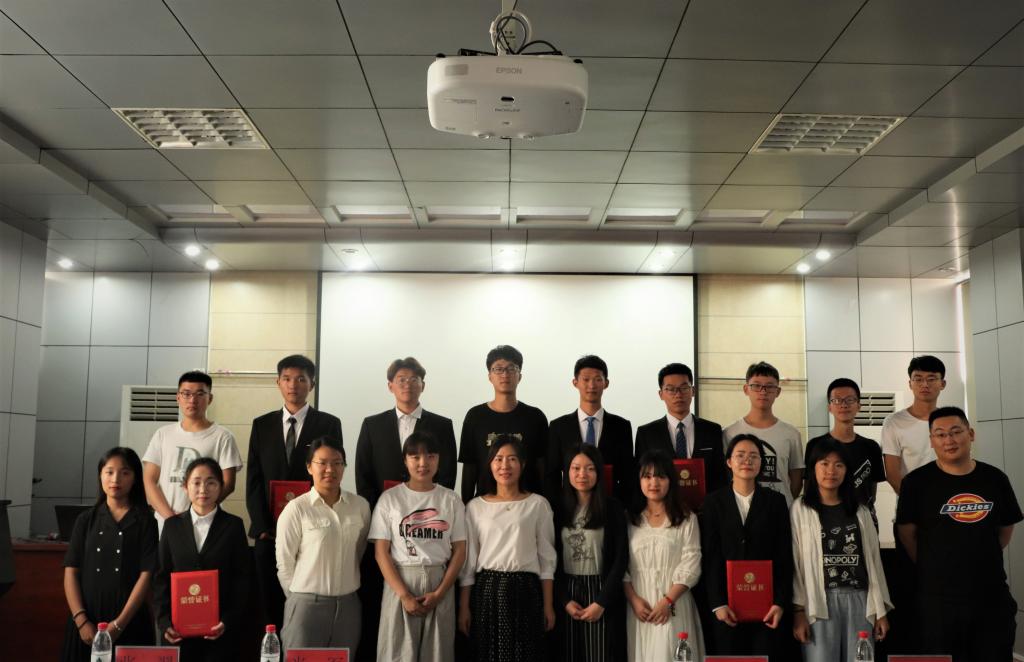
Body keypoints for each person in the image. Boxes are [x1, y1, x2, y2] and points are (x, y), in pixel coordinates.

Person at [896, 406, 1021, 662]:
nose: (949, 440)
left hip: (990, 596)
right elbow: (907, 534)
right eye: (940, 434)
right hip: (938, 602)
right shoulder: (916, 483)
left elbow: (1005, 529)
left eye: (955, 432)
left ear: (970, 434)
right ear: (932, 440)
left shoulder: (995, 478)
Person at [246, 354, 343, 628]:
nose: (293, 385)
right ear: (278, 382)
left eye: (301, 379)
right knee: (270, 603)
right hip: (269, 532)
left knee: (305, 601)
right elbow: (254, 479)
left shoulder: (328, 424)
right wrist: (261, 526)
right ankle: (273, 646)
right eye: (287, 378)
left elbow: (331, 474)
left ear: (312, 384)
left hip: (311, 528)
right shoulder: (262, 424)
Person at [369, 430, 467, 662]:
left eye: (431, 456)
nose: (423, 463)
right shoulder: (390, 499)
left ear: (439, 459)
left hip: (440, 582)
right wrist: (404, 595)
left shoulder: (451, 499)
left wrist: (440, 593)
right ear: (405, 460)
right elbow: (381, 552)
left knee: (438, 654)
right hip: (401, 582)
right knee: (396, 653)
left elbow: (460, 551)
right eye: (415, 457)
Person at [458, 435, 557, 661]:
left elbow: (547, 560)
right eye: (498, 459)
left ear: (523, 464)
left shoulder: (538, 505)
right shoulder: (475, 507)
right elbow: (468, 564)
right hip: (487, 591)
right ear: (490, 464)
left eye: (512, 459)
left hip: (527, 591)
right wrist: (463, 607)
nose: (505, 466)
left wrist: (548, 605)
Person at [792, 438, 891, 662]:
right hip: (818, 601)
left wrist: (880, 611)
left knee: (861, 659)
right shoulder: (800, 510)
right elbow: (795, 565)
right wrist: (798, 611)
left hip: (860, 599)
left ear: (847, 471)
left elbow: (874, 563)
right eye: (824, 464)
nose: (831, 471)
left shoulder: (860, 511)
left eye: (839, 465)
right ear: (813, 469)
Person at [700, 434, 792, 658]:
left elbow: (784, 555)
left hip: (767, 606)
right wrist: (718, 603)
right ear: (729, 462)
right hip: (726, 606)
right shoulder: (713, 502)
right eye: (740, 455)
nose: (747, 461)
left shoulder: (776, 501)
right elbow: (710, 556)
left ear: (761, 463)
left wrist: (780, 602)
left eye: (754, 456)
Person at [61, 447, 157, 661]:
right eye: (109, 472)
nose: (115, 479)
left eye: (125, 472)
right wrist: (81, 621)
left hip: (129, 620)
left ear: (135, 478)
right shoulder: (85, 520)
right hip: (87, 618)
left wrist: (119, 625)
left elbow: (146, 575)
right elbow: (71, 572)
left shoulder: (146, 521)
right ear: (100, 475)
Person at [276, 436, 371, 653]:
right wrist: (299, 599)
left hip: (348, 605)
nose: (330, 469)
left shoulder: (360, 506)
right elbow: (285, 564)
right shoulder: (296, 509)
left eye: (337, 463)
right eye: (322, 463)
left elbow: (358, 551)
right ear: (309, 467)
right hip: (306, 606)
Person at [153, 458, 251, 661]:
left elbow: (242, 579)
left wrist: (227, 620)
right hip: (178, 633)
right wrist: (164, 623)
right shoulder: (172, 526)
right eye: (196, 482)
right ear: (185, 486)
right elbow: (161, 577)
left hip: (220, 633)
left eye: (211, 482)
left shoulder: (233, 526)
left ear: (221, 487)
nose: (203, 489)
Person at [624, 450, 705, 661]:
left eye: (660, 476)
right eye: (647, 476)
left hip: (674, 604)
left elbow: (692, 563)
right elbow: (621, 566)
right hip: (640, 606)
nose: (654, 482)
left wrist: (668, 601)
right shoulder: (629, 519)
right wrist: (633, 599)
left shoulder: (686, 518)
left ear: (671, 481)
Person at [554, 444, 628, 662]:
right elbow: (549, 559)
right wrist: (564, 601)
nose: (582, 474)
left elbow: (620, 559)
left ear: (599, 473)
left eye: (590, 468)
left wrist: (601, 602)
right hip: (567, 592)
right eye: (575, 468)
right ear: (567, 471)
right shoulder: (556, 508)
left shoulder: (613, 508)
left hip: (601, 590)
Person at [143, 371, 242, 531]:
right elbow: (149, 480)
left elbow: (228, 483)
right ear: (178, 397)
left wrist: (197, 514)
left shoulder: (223, 436)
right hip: (166, 523)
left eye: (200, 394)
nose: (193, 400)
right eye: (186, 394)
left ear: (210, 398)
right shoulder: (163, 434)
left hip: (206, 523)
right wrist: (171, 519)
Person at [356, 356, 458, 509]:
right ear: (390, 386)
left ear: (423, 386)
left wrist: (435, 508)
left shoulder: (442, 425)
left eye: (414, 379)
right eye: (401, 380)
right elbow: (363, 472)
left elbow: (448, 474)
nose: (407, 384)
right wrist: (375, 508)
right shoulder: (372, 425)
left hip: (429, 509)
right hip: (383, 508)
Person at [459, 345, 548, 502]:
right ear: (490, 376)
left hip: (528, 504)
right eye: (498, 369)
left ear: (520, 376)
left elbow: (543, 468)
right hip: (485, 504)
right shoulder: (475, 416)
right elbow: (469, 467)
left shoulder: (535, 417)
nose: (505, 374)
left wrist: (546, 504)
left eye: (511, 368)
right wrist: (466, 505)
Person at [546, 355, 634, 505]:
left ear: (606, 383)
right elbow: (552, 474)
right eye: (586, 379)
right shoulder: (558, 427)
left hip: (610, 505)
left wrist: (620, 507)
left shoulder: (621, 426)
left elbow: (627, 474)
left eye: (598, 379)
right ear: (575, 383)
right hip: (569, 507)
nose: (591, 385)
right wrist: (558, 507)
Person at [634, 362, 727, 498]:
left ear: (693, 391)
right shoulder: (646, 434)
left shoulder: (712, 430)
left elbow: (720, 476)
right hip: (663, 506)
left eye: (684, 388)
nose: (678, 394)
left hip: (705, 507)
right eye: (670, 389)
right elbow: (640, 476)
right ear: (661, 394)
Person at [723, 361, 803, 505]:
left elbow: (796, 481)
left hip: (781, 510)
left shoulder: (791, 434)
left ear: (778, 392)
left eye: (770, 386)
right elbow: (726, 476)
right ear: (746, 389)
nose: (763, 391)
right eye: (756, 385)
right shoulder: (730, 433)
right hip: (741, 509)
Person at [804, 378, 884, 516]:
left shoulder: (871, 447)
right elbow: (809, 488)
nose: (843, 405)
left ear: (859, 405)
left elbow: (871, 493)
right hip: (826, 519)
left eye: (850, 400)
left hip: (863, 519)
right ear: (829, 407)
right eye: (837, 400)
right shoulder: (815, 445)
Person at [882, 355, 947, 495]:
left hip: (947, 500)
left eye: (931, 379)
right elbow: (892, 475)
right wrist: (912, 502)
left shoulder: (950, 421)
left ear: (942, 384)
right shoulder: (893, 422)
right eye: (918, 379)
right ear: (910, 384)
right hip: (910, 501)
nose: (925, 384)